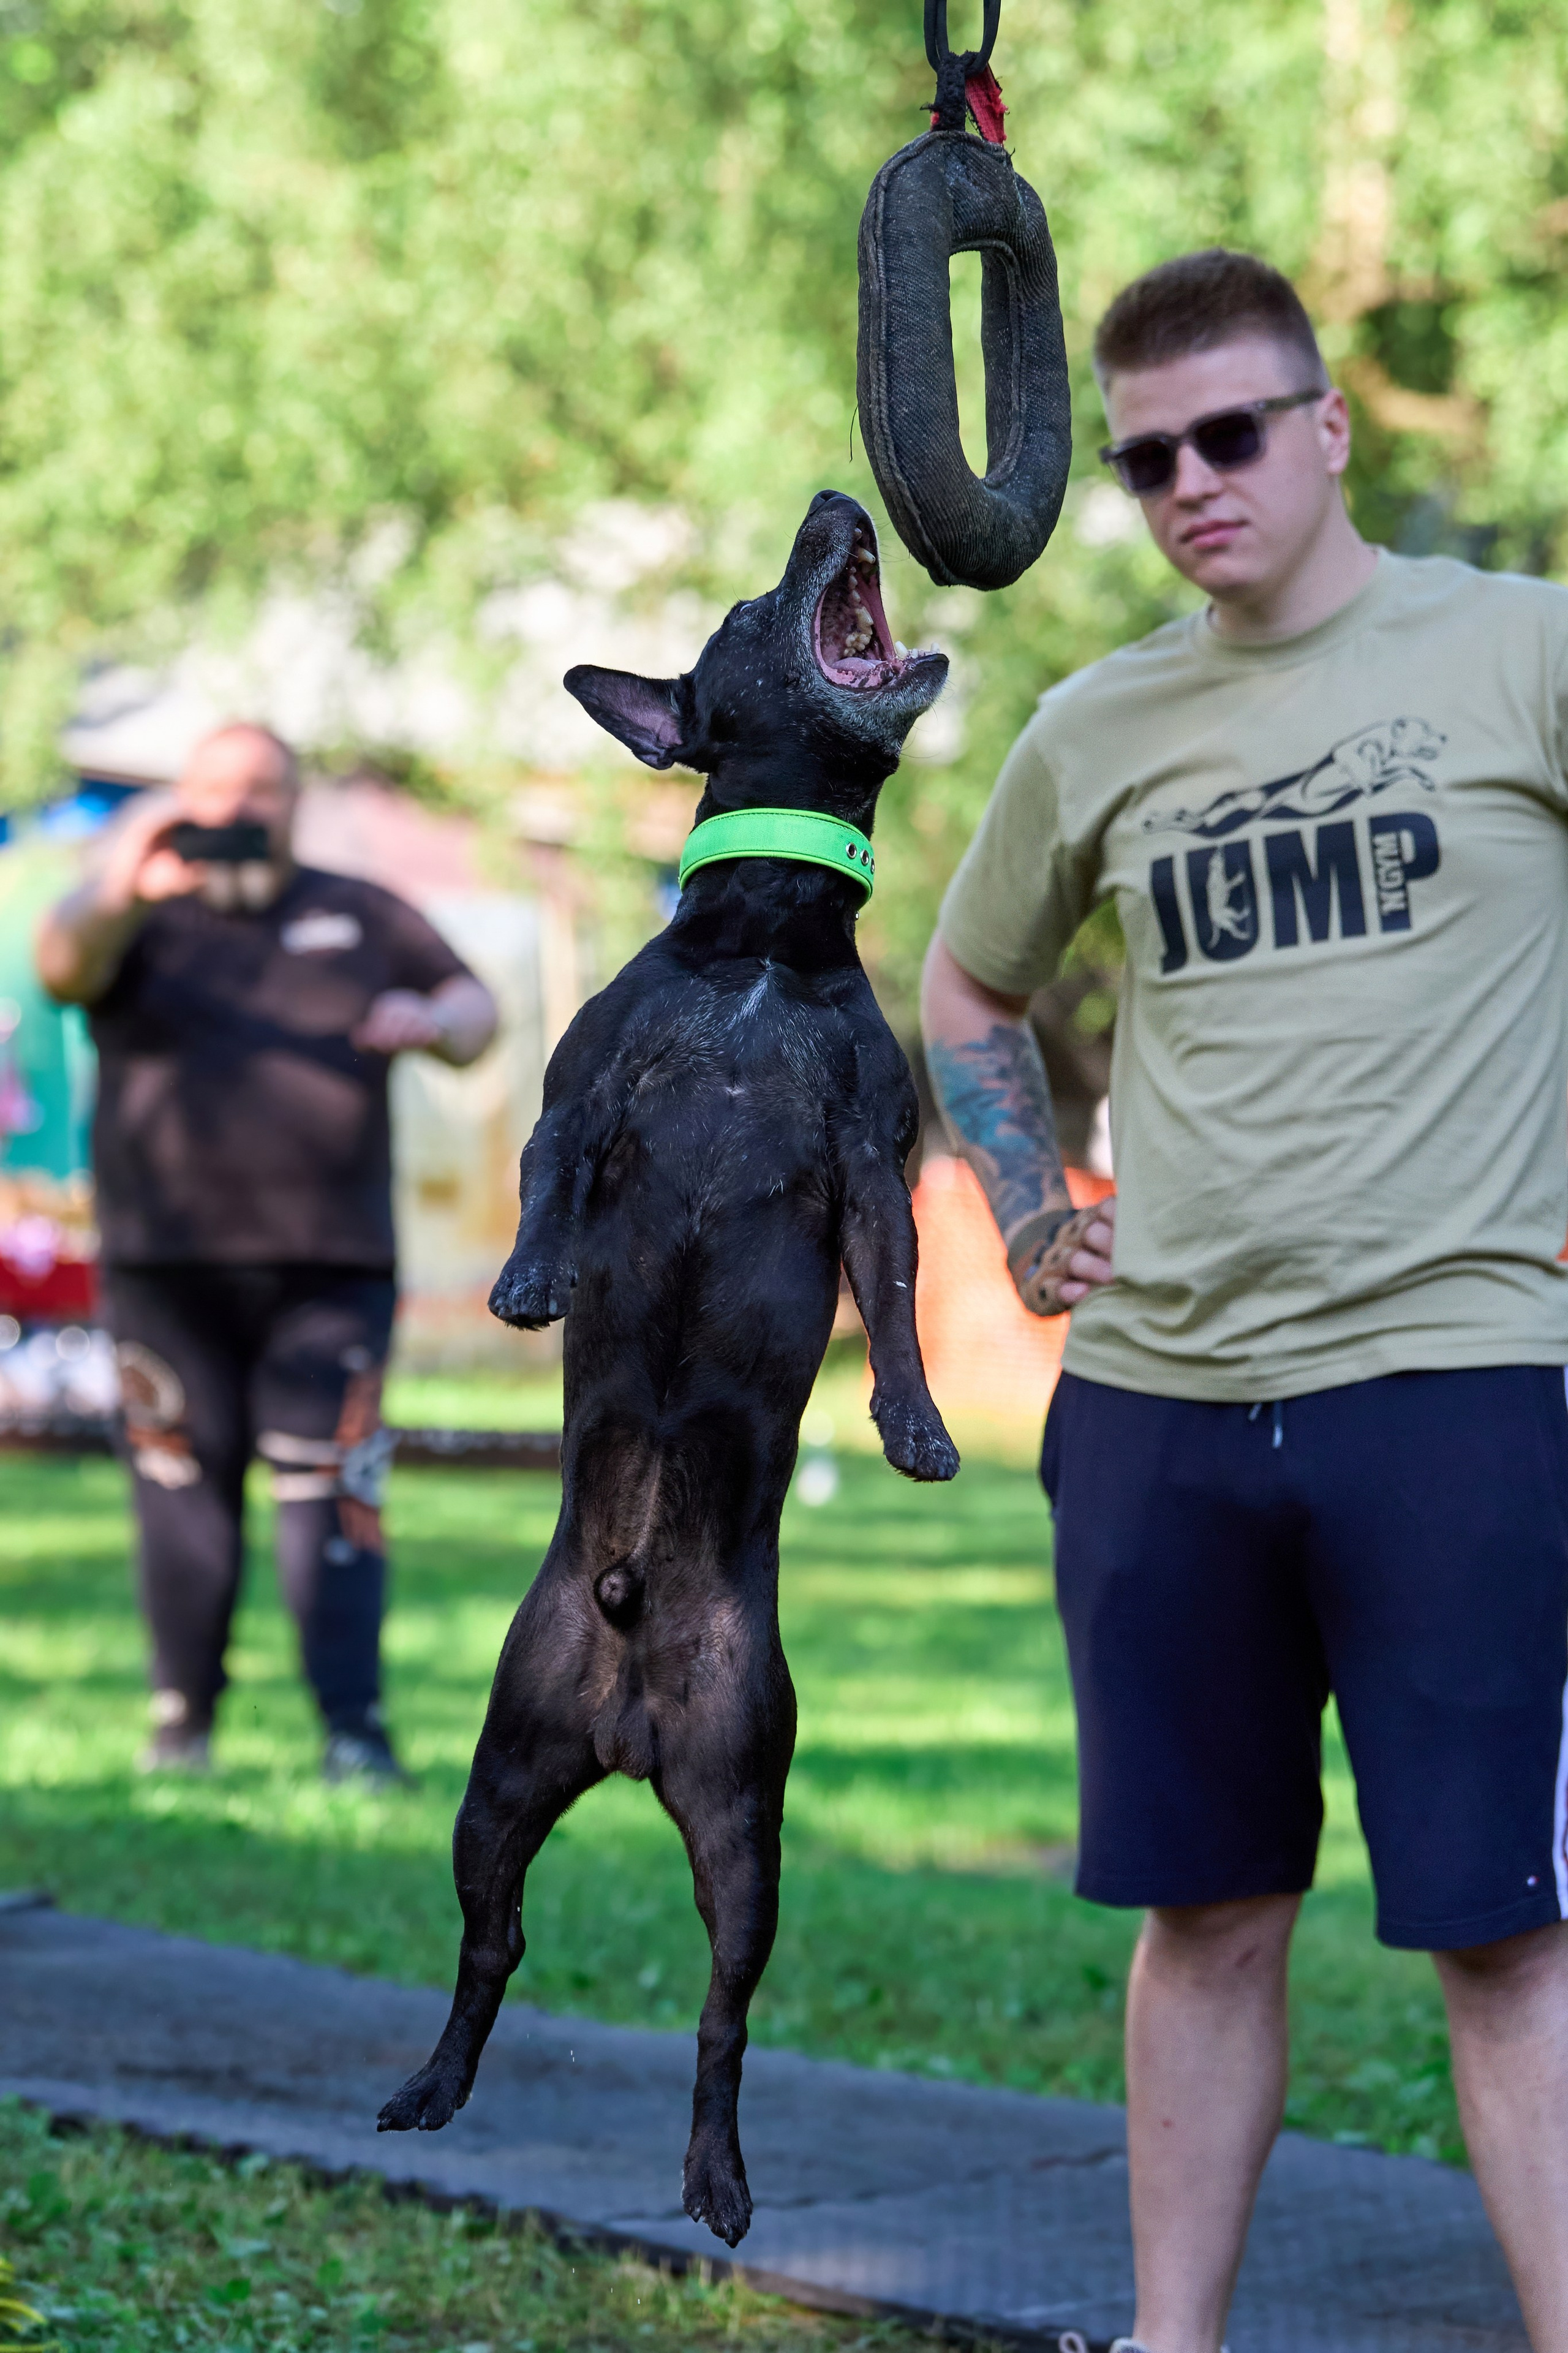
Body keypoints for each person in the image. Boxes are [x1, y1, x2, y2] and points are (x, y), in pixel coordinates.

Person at [921, 248, 1568, 2353]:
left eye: (1228, 435)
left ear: (1327, 430)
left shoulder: (1522, 655)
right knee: (1203, 1915)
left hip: (1462, 1386)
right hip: (1162, 1405)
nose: (1192, 482)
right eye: (1146, 462)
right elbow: (967, 986)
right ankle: (1169, 2343)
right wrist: (1026, 1209)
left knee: (1513, 1934)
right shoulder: (1099, 722)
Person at [36, 724, 498, 1783]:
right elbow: (60, 969)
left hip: (331, 1268)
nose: (244, 807)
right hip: (166, 1270)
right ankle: (181, 1724)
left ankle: (353, 1731)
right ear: (181, 799)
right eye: (220, 789)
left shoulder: (361, 908)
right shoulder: (131, 913)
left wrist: (429, 1016)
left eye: (265, 788)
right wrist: (124, 879)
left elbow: (477, 1011)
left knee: (334, 1492)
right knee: (178, 1491)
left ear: (295, 801)